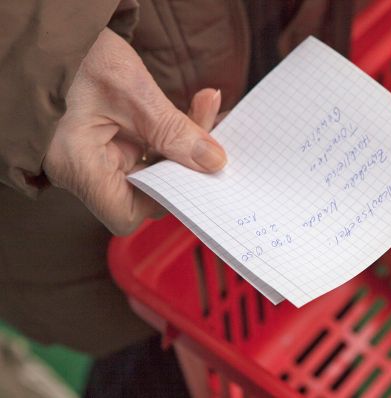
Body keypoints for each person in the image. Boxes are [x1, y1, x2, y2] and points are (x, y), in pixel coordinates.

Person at [0, 1, 352, 396]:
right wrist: (49, 57)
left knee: (296, 328)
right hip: (94, 171)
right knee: (152, 354)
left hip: (288, 67)